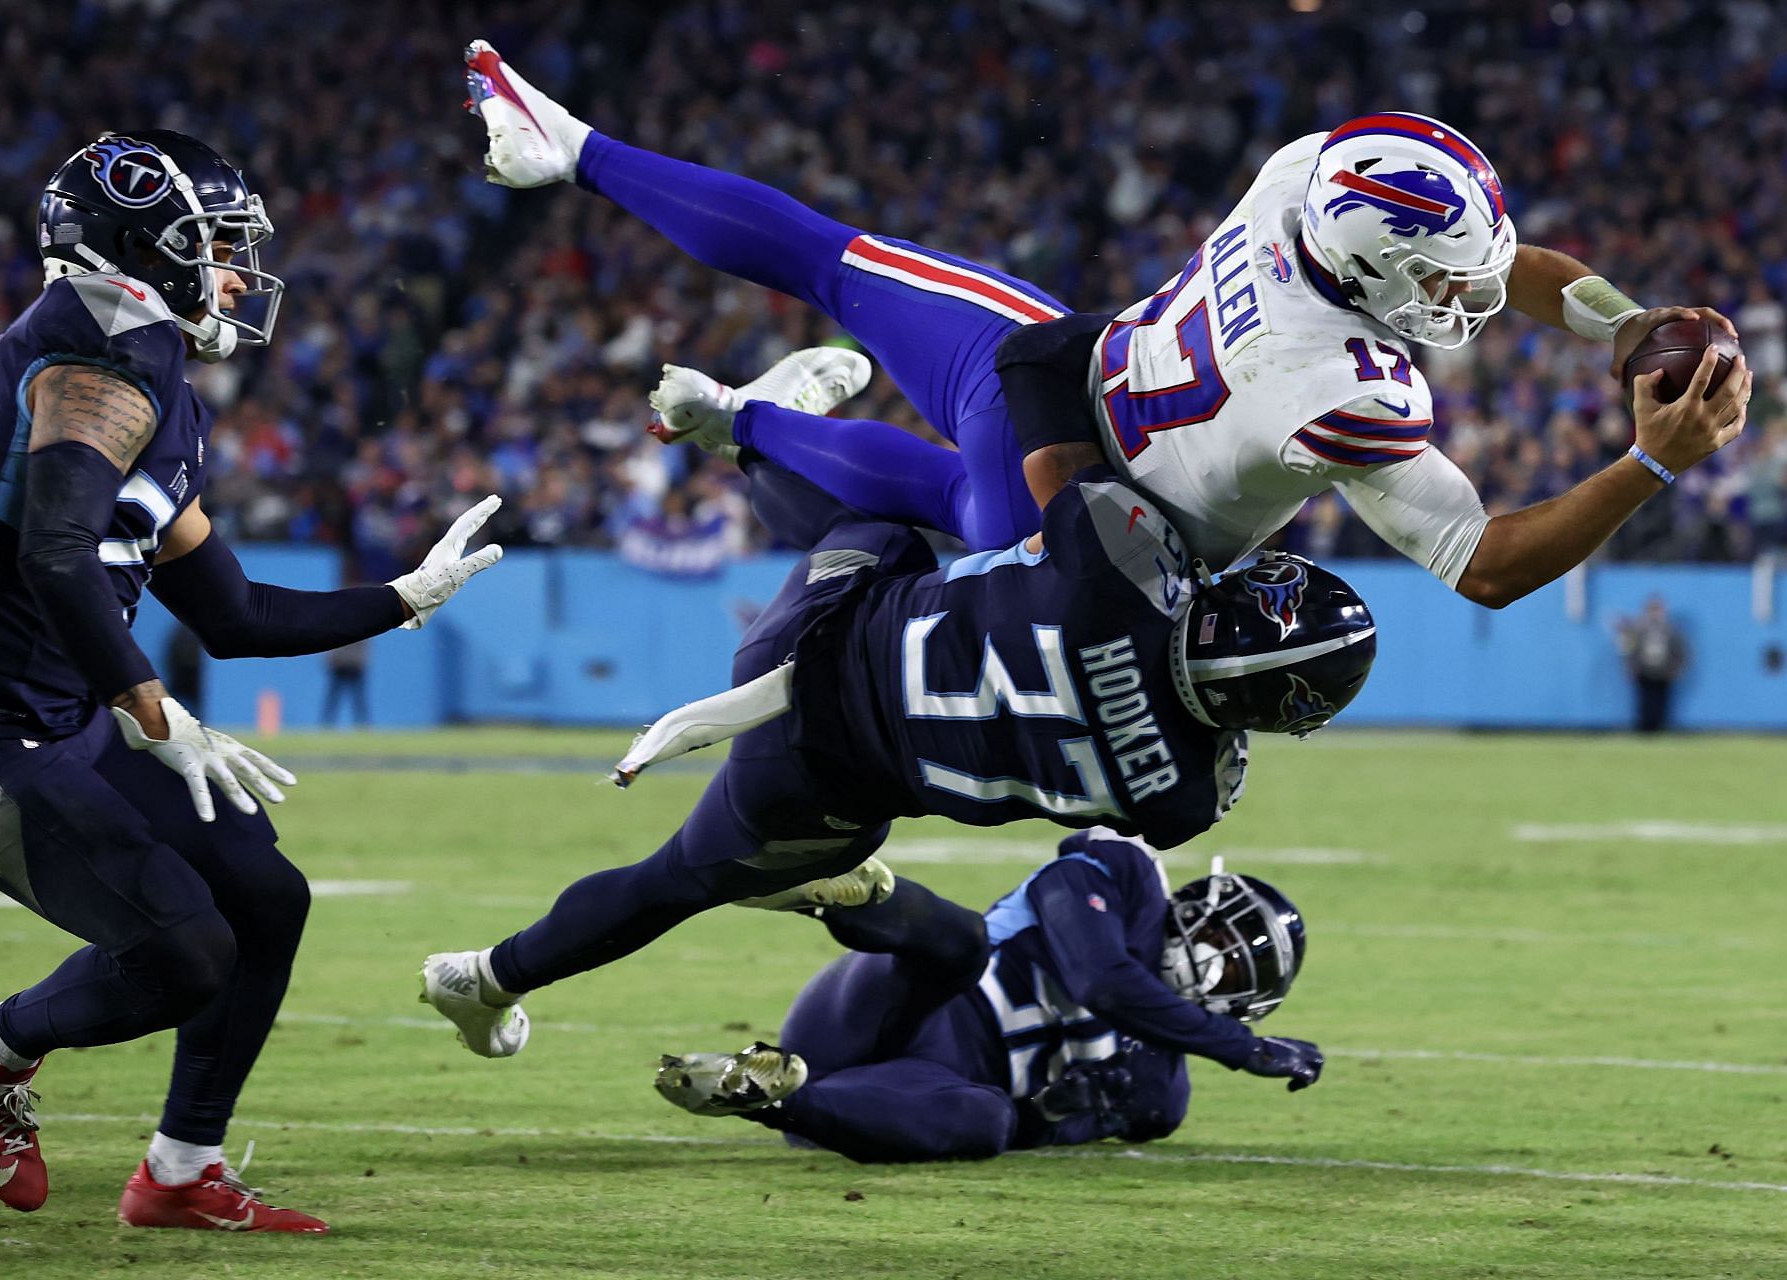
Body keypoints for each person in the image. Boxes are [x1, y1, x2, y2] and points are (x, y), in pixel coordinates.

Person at [461, 44, 1749, 608]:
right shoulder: (1338, 384)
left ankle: (569, 146)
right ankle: (745, 419)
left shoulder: (1309, 176)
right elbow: (1488, 563)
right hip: (1073, 512)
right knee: (956, 517)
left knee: (831, 255)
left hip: (1053, 357)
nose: (1470, 298)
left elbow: (1503, 265)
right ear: (1367, 271)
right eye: (1442, 283)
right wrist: (1650, 464)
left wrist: (1625, 327)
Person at [0, 131, 500, 1231]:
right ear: (137, 244)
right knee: (182, 951)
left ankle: (178, 1171)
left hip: (56, 712)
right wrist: (153, 710)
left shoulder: (148, 367)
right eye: (213, 244)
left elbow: (233, 612)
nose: (233, 273)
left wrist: (400, 597)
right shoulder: (102, 355)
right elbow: (54, 553)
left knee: (266, 895)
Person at [419, 427, 1376, 1067]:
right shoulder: (1185, 802)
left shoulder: (1124, 564)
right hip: (828, 792)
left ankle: (751, 434)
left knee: (908, 514)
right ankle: (486, 977)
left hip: (815, 624)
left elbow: (1064, 459)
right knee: (679, 878)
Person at [653, 827, 1320, 1162]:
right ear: (1192, 903)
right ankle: (838, 894)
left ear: (1243, 1001)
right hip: (890, 1004)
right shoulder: (1119, 877)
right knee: (963, 947)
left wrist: (1053, 1113)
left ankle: (767, 1094)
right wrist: (1243, 1049)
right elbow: (1100, 980)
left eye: (1233, 972)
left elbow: (1029, 1128)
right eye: (1214, 936)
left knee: (989, 1124)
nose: (1208, 961)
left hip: (918, 1086)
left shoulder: (1160, 1093)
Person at [1616, 595, 1688, 733]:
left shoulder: (1670, 630)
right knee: (1645, 701)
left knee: (1661, 702)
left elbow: (1680, 651)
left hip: (1664, 672)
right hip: (1644, 672)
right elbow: (1630, 649)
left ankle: (1660, 728)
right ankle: (1644, 728)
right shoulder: (1639, 629)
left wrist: (1677, 669)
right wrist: (1631, 667)